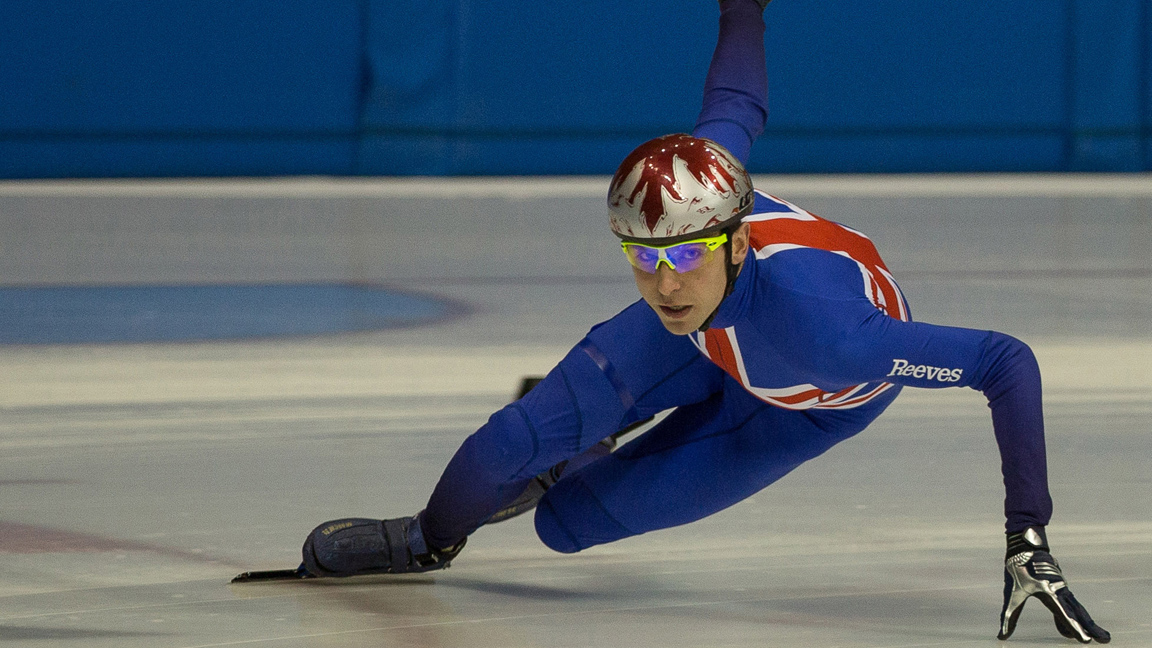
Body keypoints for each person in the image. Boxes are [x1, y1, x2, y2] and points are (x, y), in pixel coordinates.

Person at [300, 0, 1110, 643]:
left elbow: (1005, 361)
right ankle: (430, 542)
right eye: (639, 256)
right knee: (507, 444)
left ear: (733, 238)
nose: (662, 282)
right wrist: (743, 4)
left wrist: (1026, 537)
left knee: (562, 525)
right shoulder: (699, 193)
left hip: (798, 403)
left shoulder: (831, 337)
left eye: (683, 255)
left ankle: (583, 447)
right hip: (719, 336)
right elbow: (735, 98)